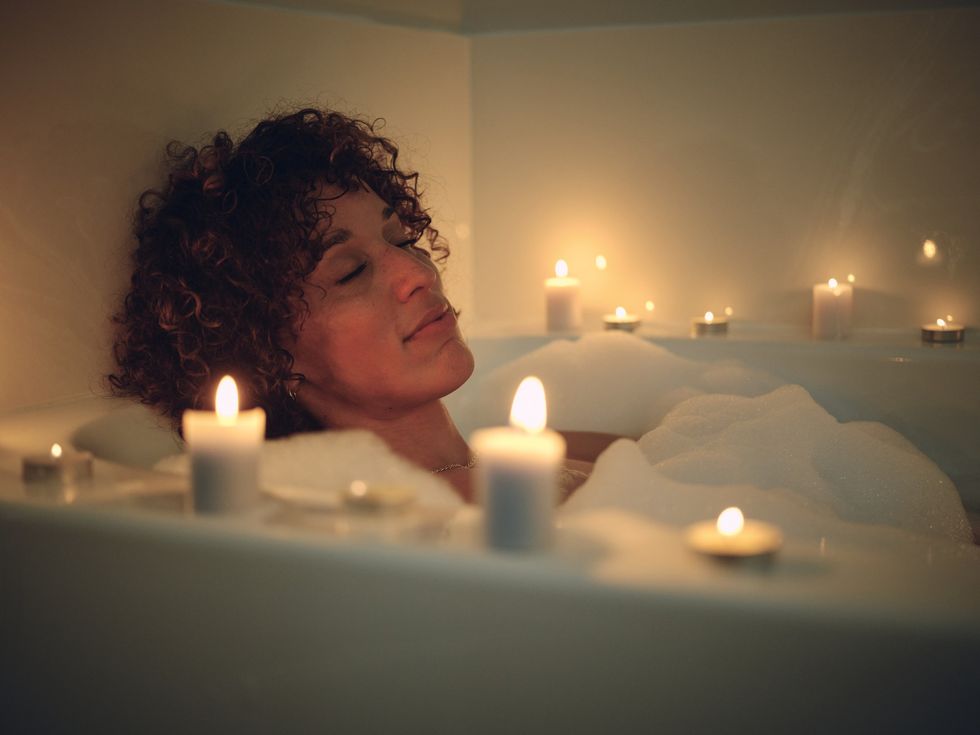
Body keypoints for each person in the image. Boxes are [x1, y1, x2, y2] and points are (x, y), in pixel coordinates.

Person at [109, 106, 604, 503]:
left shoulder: (551, 455)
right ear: (264, 348)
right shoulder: (378, 529)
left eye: (403, 240)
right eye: (350, 271)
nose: (418, 273)